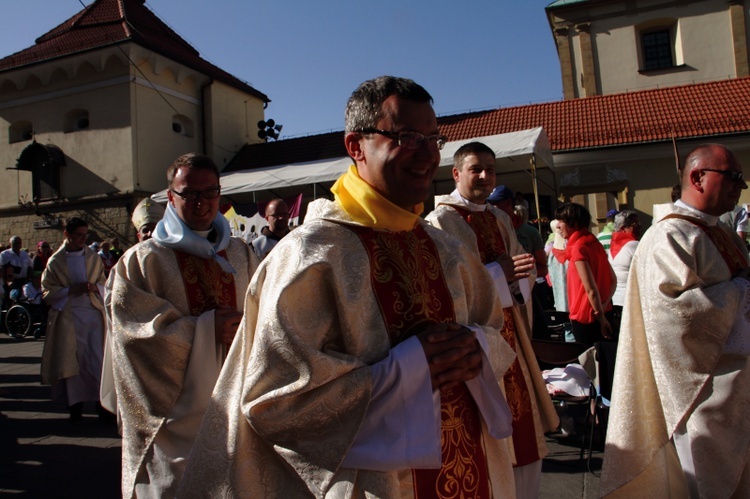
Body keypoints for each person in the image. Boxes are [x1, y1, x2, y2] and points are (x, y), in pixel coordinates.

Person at [179, 76, 517, 498]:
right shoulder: (311, 254)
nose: (428, 154)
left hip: (469, 463)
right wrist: (408, 369)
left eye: (434, 139)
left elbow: (494, 329)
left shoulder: (447, 248)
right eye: (408, 137)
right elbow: (274, 402)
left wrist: (476, 348)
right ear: (356, 146)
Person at [103, 152, 259, 498]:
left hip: (237, 399)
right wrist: (205, 330)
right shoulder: (145, 261)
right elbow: (135, 337)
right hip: (176, 416)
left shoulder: (240, 254)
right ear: (171, 197)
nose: (201, 202)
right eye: (189, 193)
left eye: (210, 192)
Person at [601, 143, 750, 497]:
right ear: (698, 177)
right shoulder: (669, 236)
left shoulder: (721, 232)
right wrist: (740, 291)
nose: (740, 187)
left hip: (738, 387)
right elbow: (674, 318)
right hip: (700, 394)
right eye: (733, 177)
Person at [425, 140, 558, 499]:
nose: (485, 177)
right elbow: (448, 289)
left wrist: (521, 276)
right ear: (456, 174)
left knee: (524, 434)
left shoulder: (500, 218)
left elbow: (517, 269)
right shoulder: (441, 221)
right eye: (475, 170)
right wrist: (498, 273)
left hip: (510, 333)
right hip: (476, 341)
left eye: (491, 170)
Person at [40, 217, 109, 423]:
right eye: (79, 235)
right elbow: (47, 291)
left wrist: (95, 288)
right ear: (67, 235)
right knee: (73, 364)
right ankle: (75, 408)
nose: (83, 239)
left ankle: (102, 407)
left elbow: (104, 283)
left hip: (93, 314)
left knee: (97, 361)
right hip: (69, 317)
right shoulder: (56, 261)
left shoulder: (93, 257)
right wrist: (71, 290)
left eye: (85, 235)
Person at [552, 203, 616, 347]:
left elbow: (591, 290)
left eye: (561, 221)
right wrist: (604, 306)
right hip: (603, 311)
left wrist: (600, 317)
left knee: (589, 363)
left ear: (573, 222)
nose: (558, 226)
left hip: (587, 317)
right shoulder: (593, 243)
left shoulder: (578, 248)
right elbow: (613, 280)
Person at [607, 210, 641, 336]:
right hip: (631, 301)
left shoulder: (612, 245)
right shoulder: (635, 245)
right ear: (623, 228)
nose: (639, 227)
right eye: (634, 225)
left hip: (615, 300)